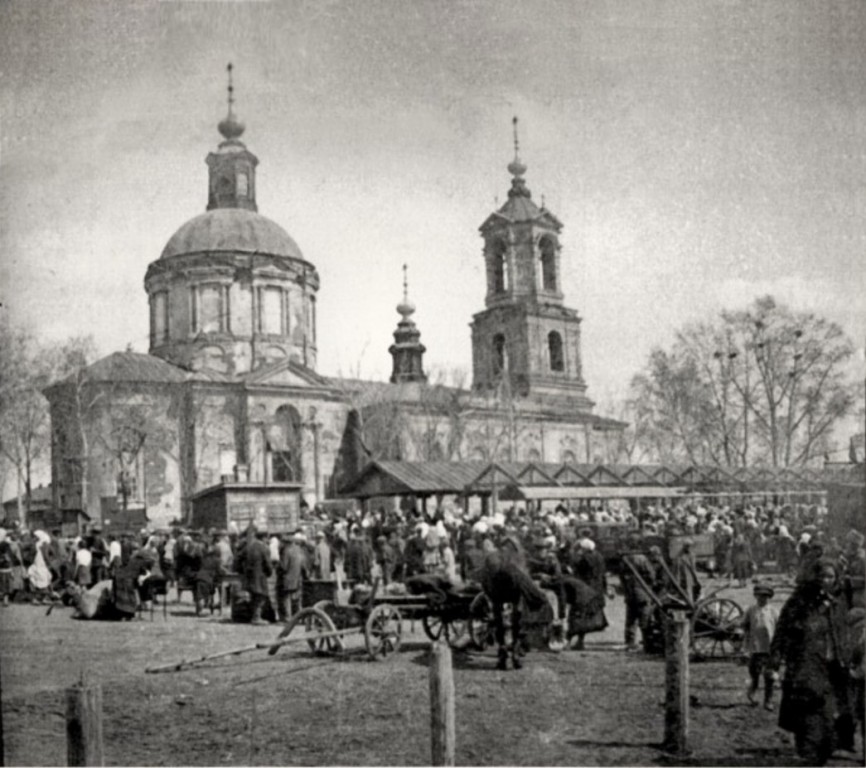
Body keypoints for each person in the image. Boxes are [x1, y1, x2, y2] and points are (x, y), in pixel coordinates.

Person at [769, 559, 854, 765]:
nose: (826, 581)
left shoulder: (839, 600)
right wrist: (775, 661)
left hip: (833, 667)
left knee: (830, 717)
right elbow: (783, 630)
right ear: (814, 577)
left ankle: (821, 750)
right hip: (806, 666)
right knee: (809, 716)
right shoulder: (800, 600)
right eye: (822, 576)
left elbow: (844, 631)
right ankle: (809, 753)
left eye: (831, 577)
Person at [741, 584, 779, 710]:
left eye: (765, 597)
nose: (762, 599)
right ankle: (752, 694)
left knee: (769, 675)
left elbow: (779, 628)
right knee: (754, 672)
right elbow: (744, 625)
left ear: (769, 598)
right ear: (756, 597)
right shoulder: (751, 610)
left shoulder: (773, 611)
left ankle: (768, 700)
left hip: (769, 647)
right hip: (755, 647)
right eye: (760, 596)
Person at [235, 527, 273, 625]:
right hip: (260, 577)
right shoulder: (264, 548)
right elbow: (267, 564)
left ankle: (254, 616)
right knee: (261, 597)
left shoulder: (248, 547)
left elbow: (238, 559)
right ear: (264, 537)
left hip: (249, 577)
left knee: (253, 596)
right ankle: (256, 617)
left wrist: (241, 571)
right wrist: (269, 572)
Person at [275, 531, 309, 622]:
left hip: (287, 578)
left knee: (286, 599)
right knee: (297, 600)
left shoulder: (286, 551)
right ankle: (300, 617)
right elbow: (303, 566)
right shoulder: (299, 551)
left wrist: (277, 567)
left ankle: (288, 617)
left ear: (286, 543)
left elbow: (284, 566)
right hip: (297, 578)